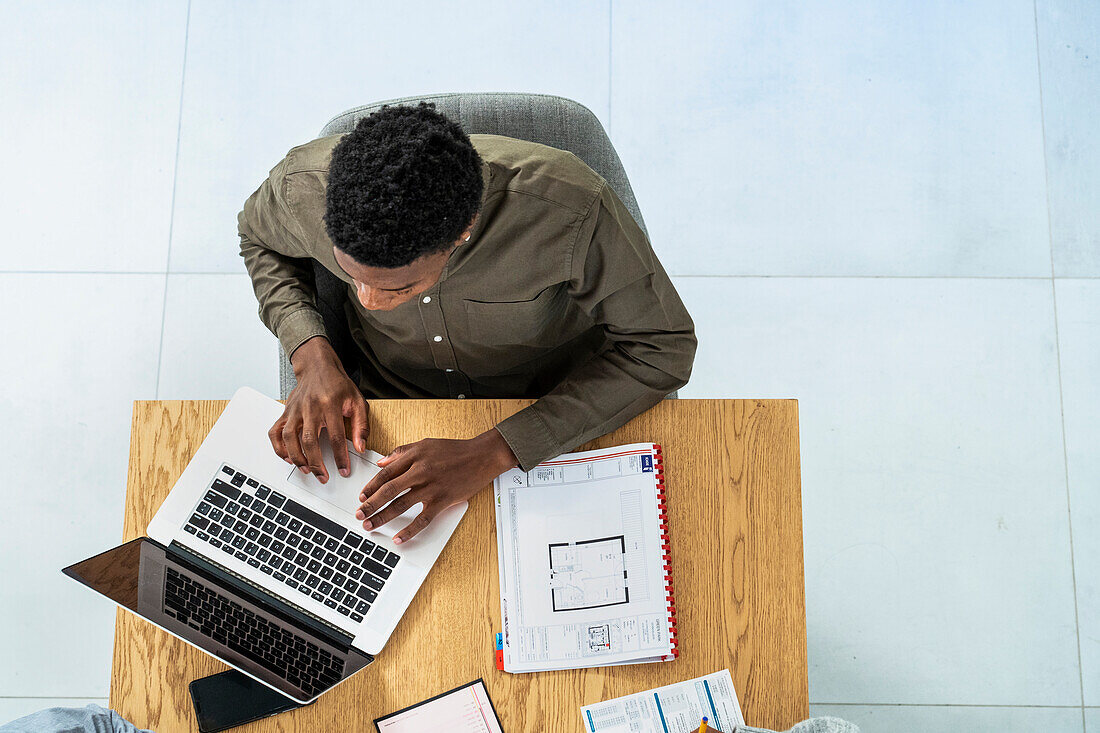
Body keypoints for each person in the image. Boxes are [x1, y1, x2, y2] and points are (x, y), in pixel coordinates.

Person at [239, 102, 697, 544]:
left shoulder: (570, 213)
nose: (371, 303)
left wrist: (495, 450)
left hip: (550, 406)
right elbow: (258, 237)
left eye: (401, 288)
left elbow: (663, 347)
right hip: (392, 407)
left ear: (463, 232)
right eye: (352, 277)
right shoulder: (302, 187)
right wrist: (311, 354)